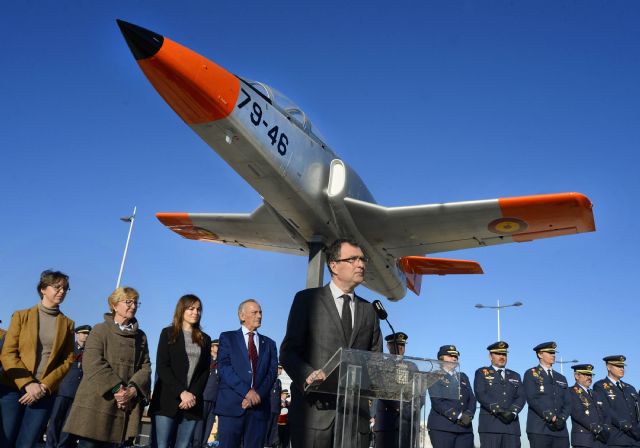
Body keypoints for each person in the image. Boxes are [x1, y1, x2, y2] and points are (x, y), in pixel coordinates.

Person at [280, 238, 382, 448]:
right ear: (333, 265)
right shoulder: (306, 300)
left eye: (363, 259)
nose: (361, 264)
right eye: (353, 259)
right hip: (314, 416)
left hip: (355, 422)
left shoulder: (370, 311)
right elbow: (288, 352)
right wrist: (307, 374)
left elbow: (376, 359)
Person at [63, 286, 151, 447]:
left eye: (136, 302)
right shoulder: (99, 330)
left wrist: (132, 390)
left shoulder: (141, 336)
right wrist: (118, 389)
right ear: (115, 305)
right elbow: (93, 362)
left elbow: (145, 367)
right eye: (128, 302)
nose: (133, 306)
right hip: (97, 402)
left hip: (123, 405)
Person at [0, 269, 75, 448]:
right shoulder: (21, 316)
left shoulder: (68, 324)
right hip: (12, 388)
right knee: (5, 440)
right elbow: (8, 353)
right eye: (57, 287)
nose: (62, 292)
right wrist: (28, 383)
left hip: (43, 393)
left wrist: (43, 386)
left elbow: (67, 361)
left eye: (65, 288)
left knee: (27, 443)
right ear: (43, 289)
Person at [150, 294, 212, 448]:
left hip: (192, 403)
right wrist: (181, 392)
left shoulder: (205, 339)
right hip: (167, 399)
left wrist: (192, 395)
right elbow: (162, 367)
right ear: (181, 310)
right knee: (162, 444)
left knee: (183, 445)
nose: (195, 312)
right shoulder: (168, 333)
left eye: (198, 309)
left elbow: (204, 371)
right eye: (191, 308)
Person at [215, 299, 278, 448]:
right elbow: (224, 367)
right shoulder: (227, 338)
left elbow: (272, 372)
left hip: (258, 409)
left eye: (260, 312)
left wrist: (256, 395)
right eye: (254, 312)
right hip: (231, 407)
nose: (259, 316)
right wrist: (246, 392)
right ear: (242, 316)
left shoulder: (269, 344)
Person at [45, 324, 92, 448]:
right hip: (63, 389)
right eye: (83, 333)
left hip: (78, 392)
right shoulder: (70, 349)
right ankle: (50, 445)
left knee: (69, 423)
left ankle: (62, 446)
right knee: (55, 419)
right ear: (77, 334)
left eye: (88, 334)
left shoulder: (91, 352)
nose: (86, 336)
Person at [473, 341, 525, 448]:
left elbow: (521, 396)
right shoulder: (482, 372)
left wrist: (513, 412)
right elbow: (481, 394)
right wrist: (499, 411)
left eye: (504, 354)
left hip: (512, 427)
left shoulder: (515, 375)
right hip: (490, 426)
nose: (502, 357)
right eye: (498, 354)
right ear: (490, 356)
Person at [374, 332, 421, 448]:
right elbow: (380, 389)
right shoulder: (381, 365)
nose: (400, 348)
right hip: (387, 421)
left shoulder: (412, 366)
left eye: (402, 345)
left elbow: (420, 392)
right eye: (397, 345)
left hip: (407, 422)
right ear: (388, 346)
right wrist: (400, 405)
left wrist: (411, 408)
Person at [523, 341, 571, 448]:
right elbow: (532, 399)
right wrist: (551, 417)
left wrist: (562, 419)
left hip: (560, 431)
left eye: (554, 352)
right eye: (549, 352)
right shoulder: (531, 374)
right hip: (539, 429)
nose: (553, 355)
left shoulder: (561, 378)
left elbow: (568, 402)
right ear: (540, 354)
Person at [427, 345, 476, 448]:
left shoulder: (463, 377)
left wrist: (469, 414)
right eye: (450, 355)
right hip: (443, 427)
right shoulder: (434, 375)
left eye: (456, 356)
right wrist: (458, 416)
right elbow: (437, 402)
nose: (454, 358)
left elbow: (472, 399)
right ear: (441, 358)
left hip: (464, 428)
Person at [592, 355, 640, 447]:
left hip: (635, 439)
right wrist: (626, 426)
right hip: (616, 439)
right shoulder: (600, 386)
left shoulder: (630, 388)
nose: (622, 369)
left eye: (622, 366)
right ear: (608, 367)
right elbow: (606, 410)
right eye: (618, 366)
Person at [569, 364, 610, 448]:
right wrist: (595, 427)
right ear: (576, 376)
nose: (589, 377)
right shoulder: (571, 392)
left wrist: (605, 429)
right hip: (583, 440)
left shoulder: (596, 394)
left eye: (590, 375)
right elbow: (577, 413)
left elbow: (605, 413)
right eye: (586, 374)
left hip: (601, 440)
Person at [191, 339, 220, 448]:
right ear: (212, 347)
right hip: (204, 396)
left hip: (215, 398)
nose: (219, 348)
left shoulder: (220, 363)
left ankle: (203, 443)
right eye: (217, 346)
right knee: (200, 421)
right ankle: (196, 443)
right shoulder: (206, 360)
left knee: (209, 422)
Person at [265, 365, 284, 447]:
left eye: (281, 369)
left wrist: (280, 407)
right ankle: (264, 443)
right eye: (279, 369)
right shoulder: (270, 379)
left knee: (274, 428)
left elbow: (279, 395)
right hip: (269, 408)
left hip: (276, 409)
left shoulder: (279, 382)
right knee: (267, 426)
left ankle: (270, 443)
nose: (280, 371)